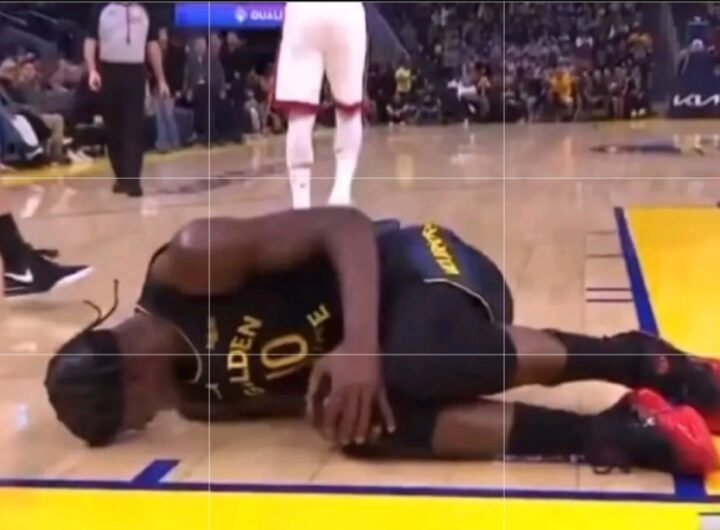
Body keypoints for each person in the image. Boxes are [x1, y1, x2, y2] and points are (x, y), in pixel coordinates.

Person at [47, 208, 720, 474]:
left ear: (131, 372)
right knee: (365, 427)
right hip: (404, 344)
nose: (152, 419)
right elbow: (303, 398)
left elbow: (344, 226)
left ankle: (641, 357)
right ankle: (610, 432)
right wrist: (336, 407)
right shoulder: (199, 400)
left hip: (414, 263)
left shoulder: (190, 261)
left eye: (137, 414)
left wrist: (359, 348)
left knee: (414, 360)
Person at [274, 2, 367, 209]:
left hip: (304, 12)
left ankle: (300, 205)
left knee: (301, 111)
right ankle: (341, 194)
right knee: (349, 107)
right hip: (346, 12)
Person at [84, 2, 169, 197]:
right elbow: (90, 40)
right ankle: (121, 176)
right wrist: (92, 70)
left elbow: (152, 45)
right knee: (114, 128)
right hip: (109, 71)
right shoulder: (101, 7)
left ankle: (133, 180)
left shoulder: (145, 8)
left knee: (134, 127)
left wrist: (161, 79)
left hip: (135, 72)